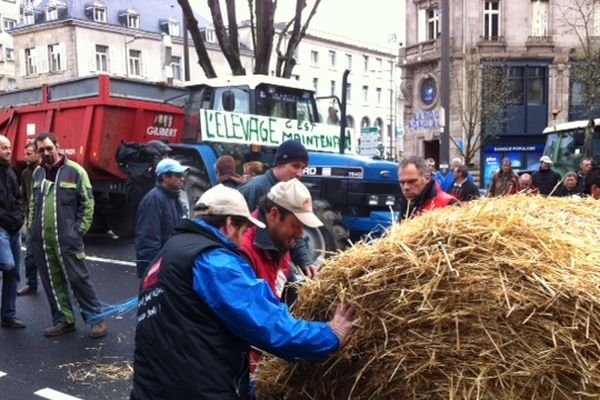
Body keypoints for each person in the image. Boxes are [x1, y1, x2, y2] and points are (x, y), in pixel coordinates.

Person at [131, 185, 355, 400]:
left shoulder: (167, 254)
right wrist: (329, 335)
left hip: (152, 388)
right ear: (229, 223)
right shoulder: (214, 262)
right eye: (243, 231)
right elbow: (267, 325)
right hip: (195, 391)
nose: (241, 242)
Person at [29, 133, 106, 338]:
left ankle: (96, 320)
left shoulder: (75, 171)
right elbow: (33, 204)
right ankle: (63, 320)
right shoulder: (37, 173)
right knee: (52, 282)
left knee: (78, 279)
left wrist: (78, 231)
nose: (46, 153)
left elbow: (87, 203)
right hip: (43, 240)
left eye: (49, 148)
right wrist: (31, 232)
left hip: (68, 239)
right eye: (41, 150)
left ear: (57, 146)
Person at [238, 140, 317, 277]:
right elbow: (238, 232)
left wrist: (305, 260)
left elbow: (293, 232)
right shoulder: (255, 189)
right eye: (295, 166)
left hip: (277, 262)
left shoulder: (293, 191)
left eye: (303, 168)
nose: (300, 173)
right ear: (279, 163)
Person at [135, 158, 189, 279]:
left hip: (169, 264)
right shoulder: (153, 200)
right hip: (158, 269)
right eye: (178, 175)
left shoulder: (174, 198)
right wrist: (153, 270)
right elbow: (147, 239)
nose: (183, 178)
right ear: (165, 177)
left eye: (182, 175)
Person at [0, 135, 26, 329]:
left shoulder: (11, 172)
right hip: (2, 227)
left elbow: (18, 199)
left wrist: (19, 218)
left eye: (9, 147)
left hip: (14, 228)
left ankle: (8, 315)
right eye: (4, 148)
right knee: (7, 265)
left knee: (14, 272)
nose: (9, 151)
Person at [397, 155, 457, 222]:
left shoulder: (449, 204)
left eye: (411, 182)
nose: (406, 187)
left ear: (427, 178)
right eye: (402, 182)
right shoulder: (405, 204)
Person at [17, 142, 40, 296]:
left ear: (38, 154)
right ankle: (32, 284)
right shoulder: (25, 173)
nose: (26, 156)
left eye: (29, 153)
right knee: (30, 254)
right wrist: (25, 213)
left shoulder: (45, 171)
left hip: (48, 219)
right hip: (32, 219)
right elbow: (24, 196)